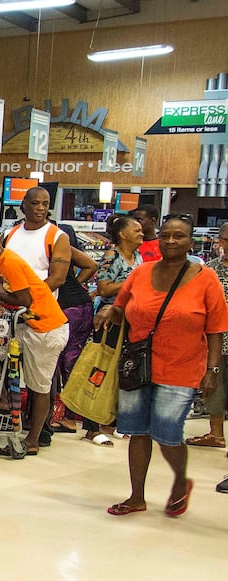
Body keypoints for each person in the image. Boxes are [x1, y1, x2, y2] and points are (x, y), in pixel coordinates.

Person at [94, 216, 228, 517]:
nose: (170, 241)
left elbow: (216, 329)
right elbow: (121, 307)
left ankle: (180, 481)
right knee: (137, 432)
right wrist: (109, 311)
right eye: (166, 235)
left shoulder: (206, 278)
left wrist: (212, 370)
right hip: (138, 364)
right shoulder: (140, 273)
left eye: (178, 236)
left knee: (168, 433)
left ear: (190, 241)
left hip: (182, 366)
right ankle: (136, 496)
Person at [0, 223, 69, 458]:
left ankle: (33, 438)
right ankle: (4, 403)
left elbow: (24, 299)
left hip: (45, 327)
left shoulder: (11, 262)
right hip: (24, 326)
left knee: (39, 386)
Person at [80, 215, 144, 446]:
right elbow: (104, 288)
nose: (141, 233)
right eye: (136, 230)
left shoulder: (137, 256)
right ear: (122, 234)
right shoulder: (112, 256)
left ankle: (112, 421)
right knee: (100, 369)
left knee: (123, 371)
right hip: (110, 319)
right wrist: (135, 281)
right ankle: (91, 426)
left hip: (131, 319)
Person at [49, 221, 98, 435]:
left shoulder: (52, 244)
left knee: (64, 363)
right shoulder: (62, 246)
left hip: (68, 309)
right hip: (81, 305)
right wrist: (77, 284)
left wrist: (71, 286)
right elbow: (91, 265)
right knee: (72, 363)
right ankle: (80, 419)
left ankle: (69, 417)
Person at [187, 222, 228, 451]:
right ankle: (216, 433)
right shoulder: (208, 270)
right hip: (215, 338)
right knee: (214, 386)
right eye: (225, 240)